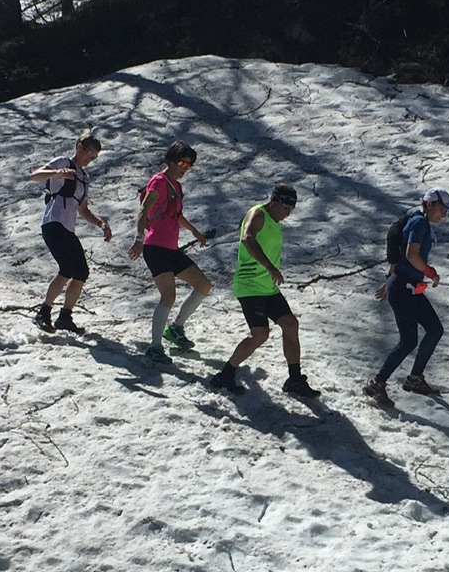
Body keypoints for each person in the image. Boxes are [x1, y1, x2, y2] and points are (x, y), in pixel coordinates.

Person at [210, 184, 318, 398]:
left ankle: (295, 379)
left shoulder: (276, 222)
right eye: (286, 208)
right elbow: (247, 238)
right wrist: (270, 267)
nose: (288, 214)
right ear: (275, 202)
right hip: (250, 286)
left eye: (292, 210)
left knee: (290, 324)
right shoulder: (257, 213)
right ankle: (225, 375)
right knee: (260, 335)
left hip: (267, 287)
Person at [363, 188, 449, 405]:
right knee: (409, 339)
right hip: (404, 287)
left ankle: (414, 378)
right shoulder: (419, 223)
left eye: (447, 211)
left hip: (404, 285)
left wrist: (391, 280)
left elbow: (401, 255)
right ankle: (377, 383)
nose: (444, 215)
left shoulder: (416, 220)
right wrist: (430, 273)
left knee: (433, 330)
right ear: (429, 204)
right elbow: (411, 255)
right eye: (442, 209)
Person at [128, 140, 214, 363]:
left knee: (203, 285)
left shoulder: (176, 186)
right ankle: (155, 347)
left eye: (189, 165)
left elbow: (175, 215)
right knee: (168, 295)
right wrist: (138, 239)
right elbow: (143, 211)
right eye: (182, 163)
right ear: (171, 160)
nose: (185, 168)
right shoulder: (159, 182)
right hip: (155, 248)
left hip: (171, 249)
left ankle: (175, 328)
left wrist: (195, 231)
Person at [28, 134, 111, 332]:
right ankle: (43, 312)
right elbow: (35, 175)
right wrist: (57, 173)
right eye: (89, 152)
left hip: (68, 228)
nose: (90, 158)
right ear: (79, 147)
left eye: (95, 156)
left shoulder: (84, 178)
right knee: (66, 268)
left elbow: (83, 210)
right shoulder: (64, 162)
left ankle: (65, 317)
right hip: (53, 223)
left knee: (81, 271)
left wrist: (101, 223)